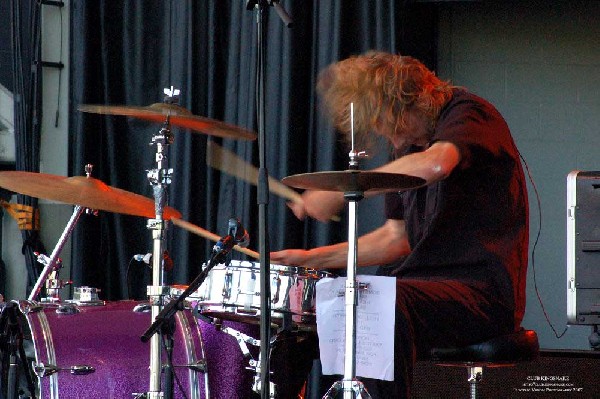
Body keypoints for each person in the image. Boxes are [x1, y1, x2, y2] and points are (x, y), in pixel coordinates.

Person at [270, 51, 529, 398]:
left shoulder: (470, 115)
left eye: (392, 126)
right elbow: (396, 239)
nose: (392, 141)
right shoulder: (408, 145)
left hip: (482, 295)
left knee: (380, 308)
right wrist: (307, 259)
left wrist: (347, 188)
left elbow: (436, 164)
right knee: (306, 321)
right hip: (420, 290)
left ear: (412, 103)